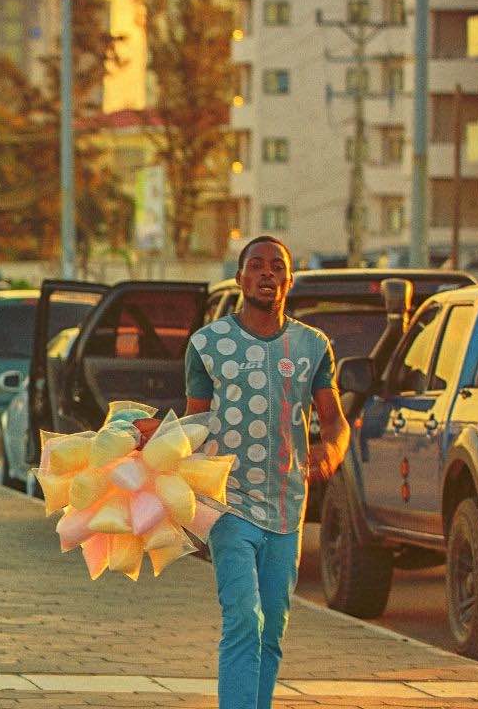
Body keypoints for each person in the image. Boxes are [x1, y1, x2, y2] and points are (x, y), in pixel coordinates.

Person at [184, 235, 349, 709]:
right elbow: (196, 421)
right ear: (240, 278)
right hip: (228, 503)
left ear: (289, 280)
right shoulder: (208, 345)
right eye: (256, 265)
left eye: (277, 267)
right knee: (243, 618)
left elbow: (333, 419)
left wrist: (331, 450)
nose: (267, 274)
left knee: (273, 625)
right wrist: (154, 438)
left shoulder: (312, 346)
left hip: (286, 507)